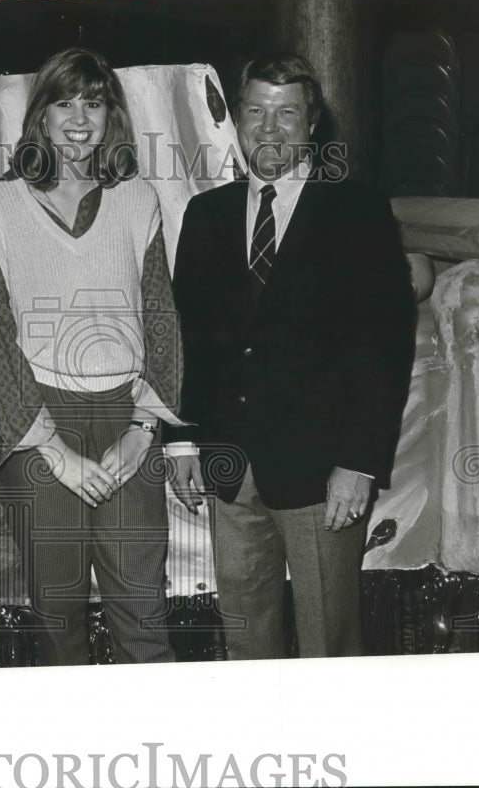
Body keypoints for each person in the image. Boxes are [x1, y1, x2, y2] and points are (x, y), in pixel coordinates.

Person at [167, 54, 416, 659]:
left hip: (322, 472)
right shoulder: (206, 215)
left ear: (312, 125)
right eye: (256, 111)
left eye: (287, 114)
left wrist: (358, 461)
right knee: (246, 637)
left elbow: (384, 344)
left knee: (328, 642)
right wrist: (180, 440)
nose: (269, 129)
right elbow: (188, 337)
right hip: (230, 467)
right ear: (238, 119)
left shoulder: (357, 211)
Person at [0, 47, 182, 666]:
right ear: (40, 115)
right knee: (58, 618)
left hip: (126, 418)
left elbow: (162, 321)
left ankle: (161, 755)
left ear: (112, 114)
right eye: (64, 102)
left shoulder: (138, 199)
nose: (79, 119)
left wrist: (143, 433)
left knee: (142, 611)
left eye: (94, 101)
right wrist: (53, 451)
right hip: (36, 421)